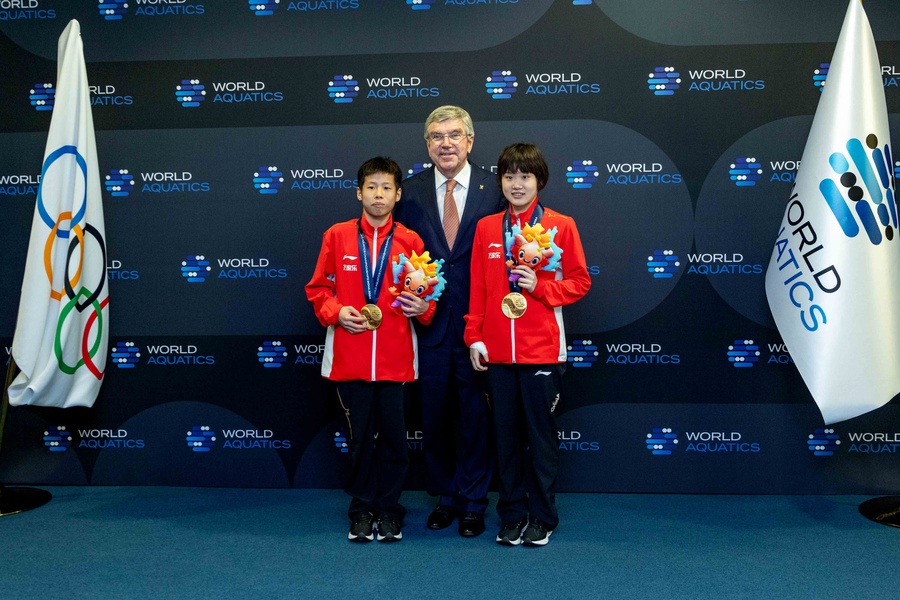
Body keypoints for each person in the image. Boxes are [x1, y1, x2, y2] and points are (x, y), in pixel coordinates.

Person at [465, 143, 591, 547]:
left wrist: (542, 287)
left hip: (541, 351)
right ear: (500, 181)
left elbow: (580, 281)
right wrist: (475, 336)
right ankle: (512, 514)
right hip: (498, 352)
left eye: (525, 176)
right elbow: (479, 290)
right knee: (504, 439)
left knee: (539, 439)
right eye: (509, 176)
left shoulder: (561, 225)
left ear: (540, 180)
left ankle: (542, 516)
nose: (516, 184)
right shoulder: (487, 228)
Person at [306, 156, 434, 543]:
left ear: (397, 195)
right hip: (350, 357)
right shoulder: (337, 235)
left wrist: (422, 307)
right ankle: (361, 510)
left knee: (395, 440)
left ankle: (391, 510)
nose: (379, 195)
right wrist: (336, 311)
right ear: (359, 192)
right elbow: (318, 289)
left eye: (387, 188)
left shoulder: (411, 240)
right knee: (360, 439)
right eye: (371, 187)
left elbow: (426, 298)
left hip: (396, 360)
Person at [394, 106, 505, 538]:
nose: (446, 143)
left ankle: (475, 501)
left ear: (470, 142)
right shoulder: (412, 190)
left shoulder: (493, 188)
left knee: (476, 416)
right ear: (426, 145)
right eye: (437, 136)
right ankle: (445, 496)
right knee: (435, 414)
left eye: (454, 135)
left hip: (481, 325)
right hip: (429, 325)